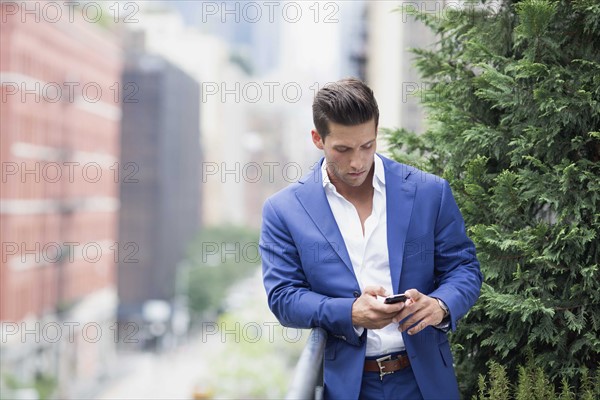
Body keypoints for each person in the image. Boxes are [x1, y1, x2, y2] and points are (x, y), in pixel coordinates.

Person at [260, 78, 483, 399]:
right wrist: (349, 312)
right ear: (317, 139)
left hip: (424, 383)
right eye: (343, 149)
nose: (357, 162)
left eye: (367, 145)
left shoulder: (429, 192)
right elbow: (283, 297)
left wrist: (440, 304)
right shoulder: (283, 210)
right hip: (348, 387)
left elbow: (464, 268)